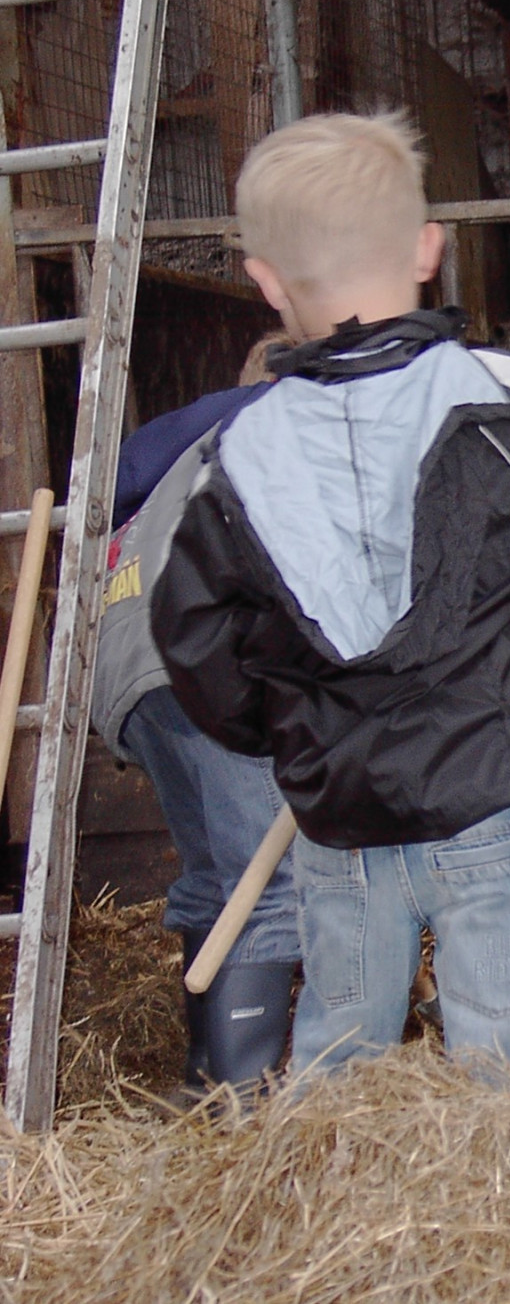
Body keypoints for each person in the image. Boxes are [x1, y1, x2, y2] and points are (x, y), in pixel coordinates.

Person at [149, 112, 510, 1077]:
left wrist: (292, 732)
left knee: (340, 1062)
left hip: (341, 823)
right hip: (492, 800)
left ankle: (328, 1216)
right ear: (430, 251)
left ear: (264, 281)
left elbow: (195, 639)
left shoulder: (239, 456)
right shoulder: (492, 393)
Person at [91, 332, 296, 1096]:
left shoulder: (169, 440)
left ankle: (206, 1071)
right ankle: (244, 1103)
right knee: (272, 883)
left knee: (216, 873)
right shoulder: (288, 412)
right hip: (205, 648)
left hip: (126, 658)